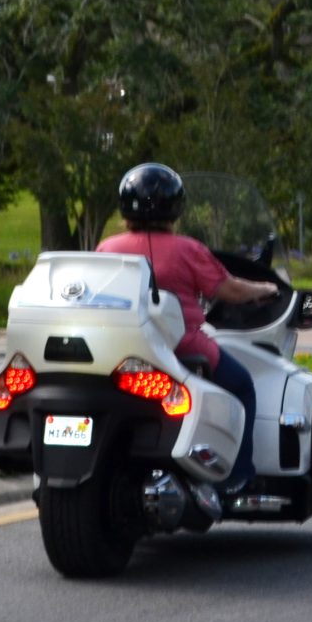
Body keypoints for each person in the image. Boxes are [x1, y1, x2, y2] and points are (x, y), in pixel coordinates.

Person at [98, 163, 283, 492]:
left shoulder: (107, 248)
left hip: (118, 351)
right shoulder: (188, 249)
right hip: (181, 349)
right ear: (175, 207)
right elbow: (231, 290)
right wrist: (265, 290)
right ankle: (238, 476)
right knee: (242, 387)